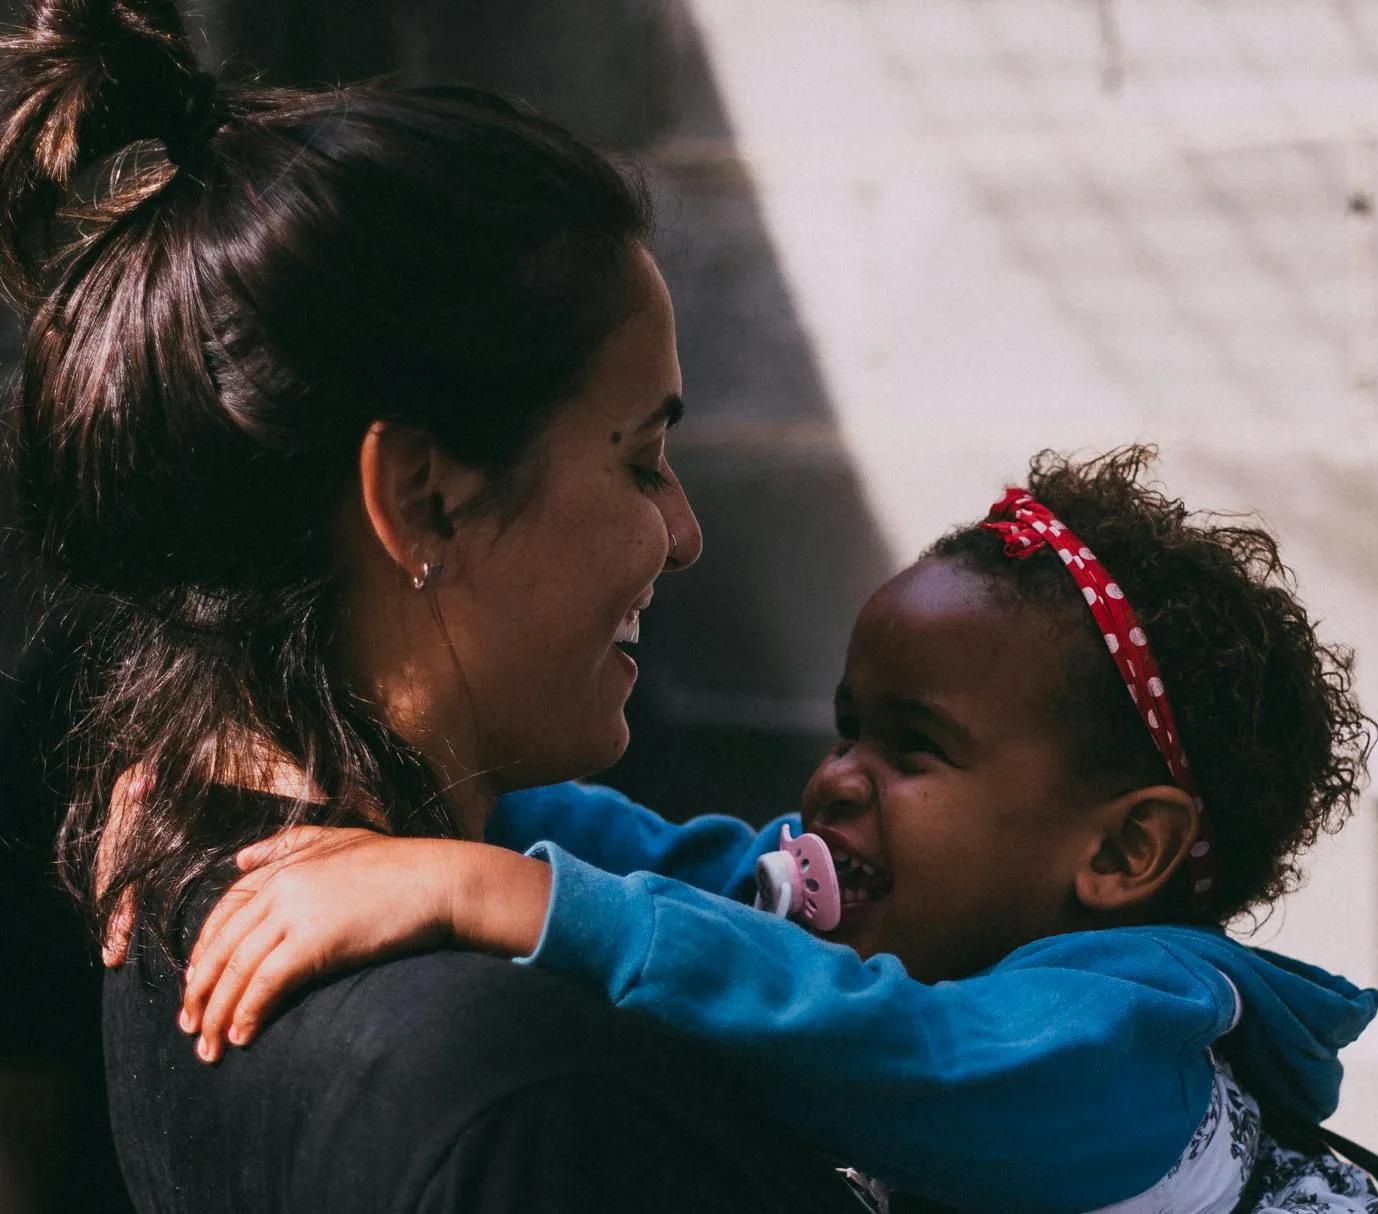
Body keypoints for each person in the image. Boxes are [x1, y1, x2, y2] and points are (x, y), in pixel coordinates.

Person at [0, 1, 864, 1209]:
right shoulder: (524, 1092)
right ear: (423, 496)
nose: (683, 533)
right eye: (637, 459)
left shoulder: (176, 877)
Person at [172, 449, 1378, 1214]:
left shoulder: (1120, 1049)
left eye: (914, 747)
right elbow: (700, 873)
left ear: (1118, 854)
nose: (836, 780)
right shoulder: (932, 916)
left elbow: (889, 1040)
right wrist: (377, 789)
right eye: (847, 728)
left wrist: (494, 893)